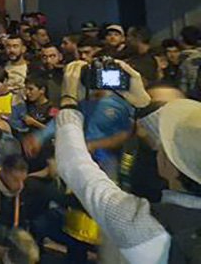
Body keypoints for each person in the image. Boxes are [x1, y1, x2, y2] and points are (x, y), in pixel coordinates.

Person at [54, 60, 201, 263]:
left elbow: (74, 164)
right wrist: (143, 104)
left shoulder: (142, 224)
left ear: (169, 167)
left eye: (163, 148)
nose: (158, 147)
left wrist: (69, 101)